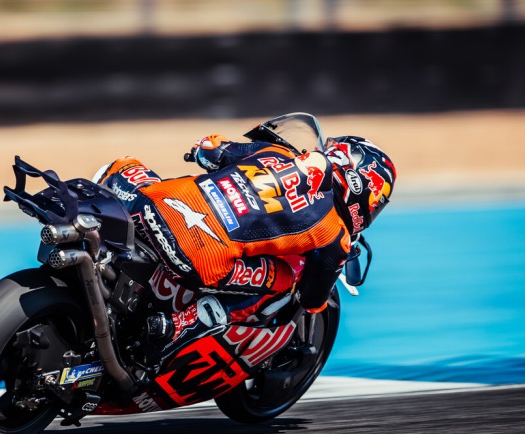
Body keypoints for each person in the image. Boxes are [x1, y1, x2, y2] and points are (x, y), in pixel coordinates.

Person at [92, 117, 396, 359]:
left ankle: (87, 231)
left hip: (151, 206)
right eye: (377, 204)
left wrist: (205, 150)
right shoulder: (335, 234)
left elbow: (211, 149)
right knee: (287, 279)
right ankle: (176, 324)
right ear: (364, 189)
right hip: (196, 257)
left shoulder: (277, 153)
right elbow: (312, 300)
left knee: (124, 165)